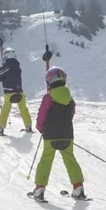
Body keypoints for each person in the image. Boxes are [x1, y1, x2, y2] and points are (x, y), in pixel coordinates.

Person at [29, 66, 87, 202]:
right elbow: (71, 114)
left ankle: (39, 189)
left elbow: (42, 115)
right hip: (67, 133)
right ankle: (78, 187)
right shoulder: (70, 100)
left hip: (50, 135)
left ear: (49, 82)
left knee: (46, 159)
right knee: (70, 159)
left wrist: (40, 127)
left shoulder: (48, 97)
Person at [0, 48, 31, 135]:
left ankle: (1, 127)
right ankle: (28, 125)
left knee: (5, 110)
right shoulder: (17, 66)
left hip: (9, 92)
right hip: (19, 91)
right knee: (23, 108)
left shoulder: (6, 66)